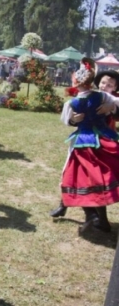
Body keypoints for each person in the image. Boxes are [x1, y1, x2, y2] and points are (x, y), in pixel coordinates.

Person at [59, 59, 119, 233]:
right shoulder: (100, 96)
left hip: (93, 141)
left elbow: (66, 120)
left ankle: (95, 216)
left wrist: (112, 106)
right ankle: (67, 206)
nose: (106, 85)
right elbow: (69, 119)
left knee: (84, 176)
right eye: (104, 82)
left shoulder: (103, 98)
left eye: (110, 84)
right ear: (95, 82)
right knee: (88, 175)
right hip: (99, 140)